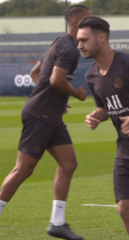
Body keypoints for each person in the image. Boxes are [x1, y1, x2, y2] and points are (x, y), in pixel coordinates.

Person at [0, 5, 91, 240]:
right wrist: (76, 93)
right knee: (23, 169)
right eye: (89, 21)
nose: (92, 25)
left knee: (68, 164)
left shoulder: (60, 42)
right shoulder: (70, 49)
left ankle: (57, 223)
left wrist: (57, 100)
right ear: (77, 23)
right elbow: (56, 79)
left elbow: (35, 73)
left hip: (50, 115)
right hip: (40, 116)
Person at [78, 15, 129, 235]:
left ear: (101, 38)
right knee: (124, 208)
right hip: (124, 149)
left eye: (84, 40)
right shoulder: (91, 76)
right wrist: (98, 115)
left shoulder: (126, 64)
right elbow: (106, 107)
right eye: (78, 40)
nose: (79, 45)